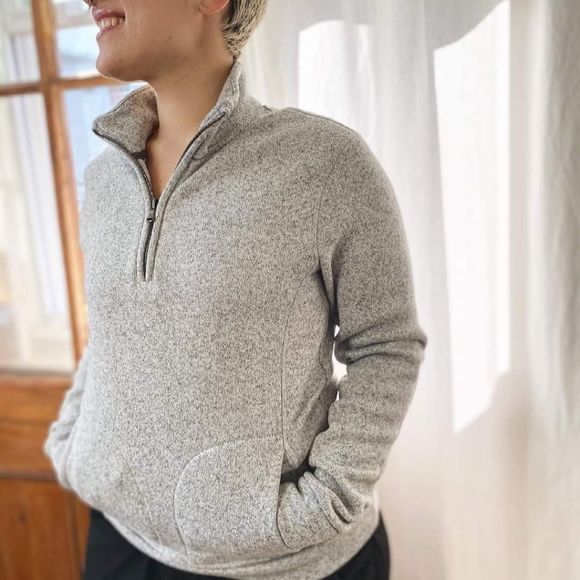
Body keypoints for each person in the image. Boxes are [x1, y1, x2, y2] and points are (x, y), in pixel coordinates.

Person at [43, 0, 427, 579]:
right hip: (119, 543)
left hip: (284, 562)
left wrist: (328, 496)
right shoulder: (104, 179)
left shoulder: (323, 164)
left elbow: (387, 344)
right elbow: (113, 335)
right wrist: (76, 446)